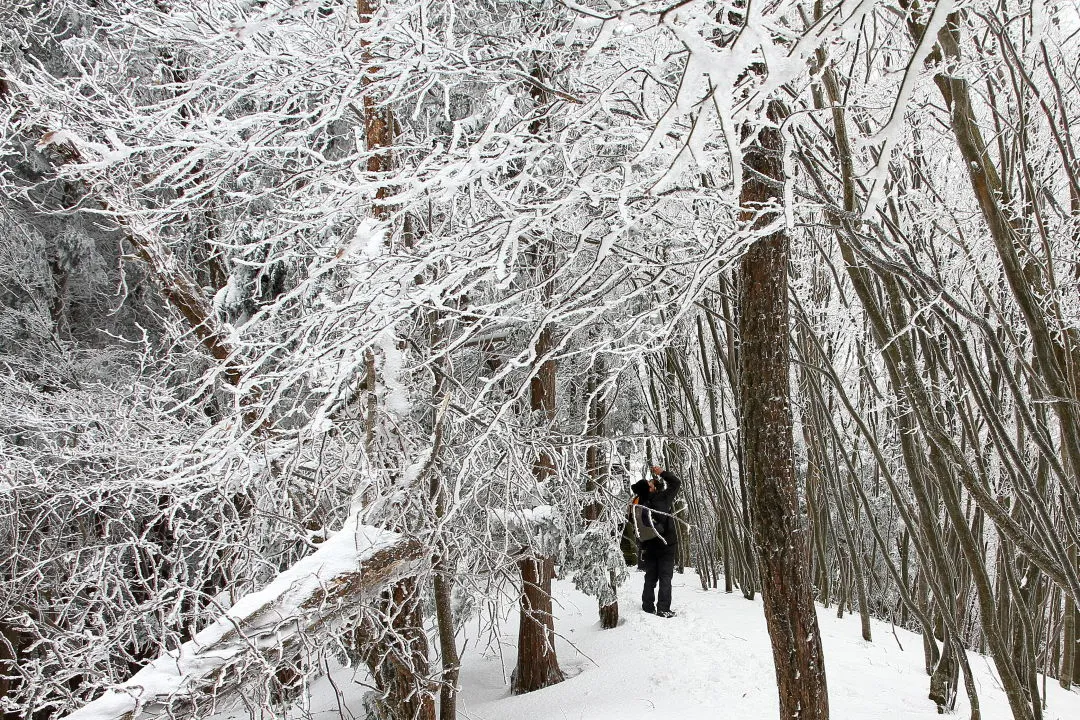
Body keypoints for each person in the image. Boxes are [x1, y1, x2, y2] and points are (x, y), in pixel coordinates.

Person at [630, 465, 682, 618]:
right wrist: (662, 472)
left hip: (648, 545)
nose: (653, 483)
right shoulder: (662, 498)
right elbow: (676, 483)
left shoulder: (637, 503)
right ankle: (663, 609)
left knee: (650, 577)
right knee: (665, 577)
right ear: (650, 489)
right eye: (651, 484)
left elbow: (634, 524)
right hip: (666, 543)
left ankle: (647, 606)